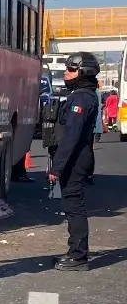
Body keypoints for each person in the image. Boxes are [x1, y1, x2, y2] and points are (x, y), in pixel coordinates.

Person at [48, 52, 101, 271]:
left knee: (74, 206)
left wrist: (57, 167)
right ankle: (74, 251)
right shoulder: (81, 95)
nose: (66, 74)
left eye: (71, 69)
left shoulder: (82, 98)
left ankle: (78, 256)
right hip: (76, 157)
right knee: (71, 207)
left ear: (83, 72)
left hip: (76, 159)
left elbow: (72, 134)